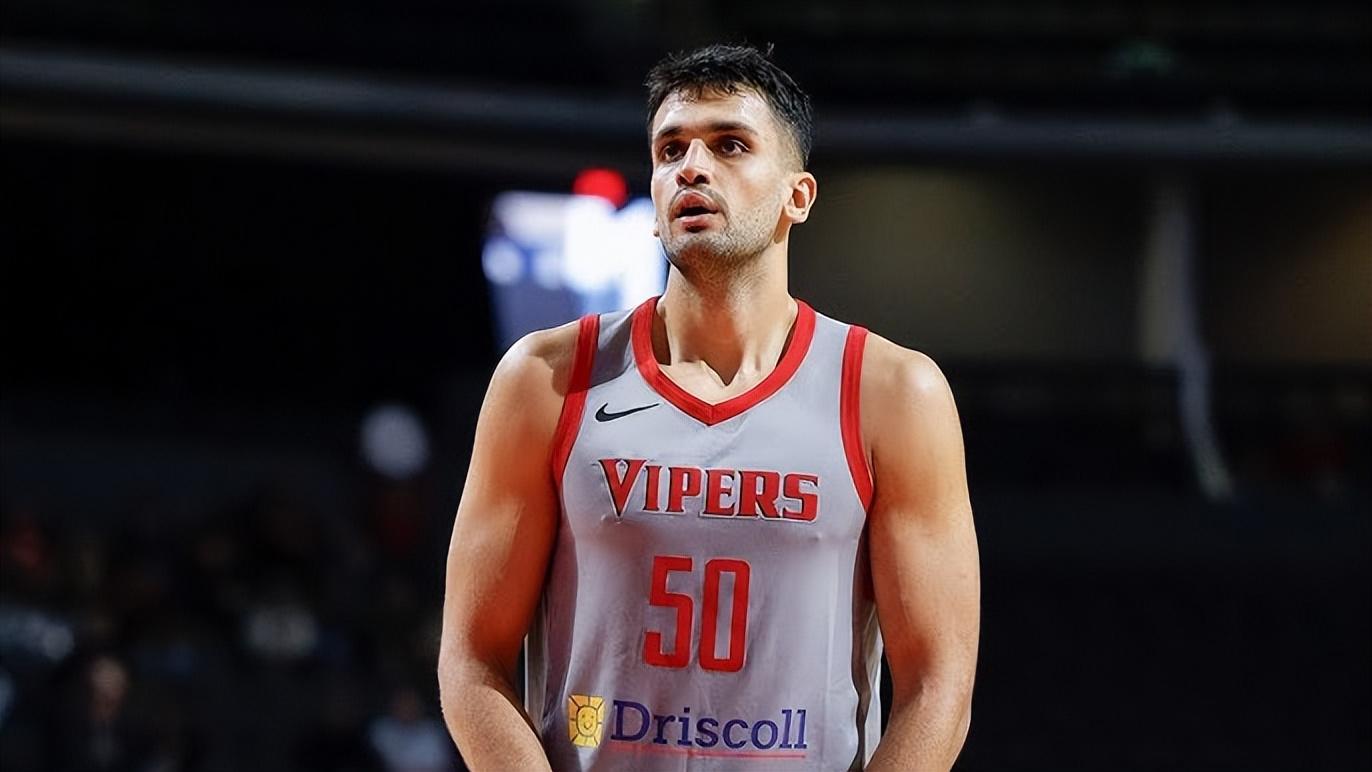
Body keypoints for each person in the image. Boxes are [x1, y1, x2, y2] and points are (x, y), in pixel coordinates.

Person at [438, 43, 979, 771]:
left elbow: (939, 688)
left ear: (798, 196)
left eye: (729, 145)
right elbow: (471, 661)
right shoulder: (544, 379)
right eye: (671, 150)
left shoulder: (893, 393)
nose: (691, 168)